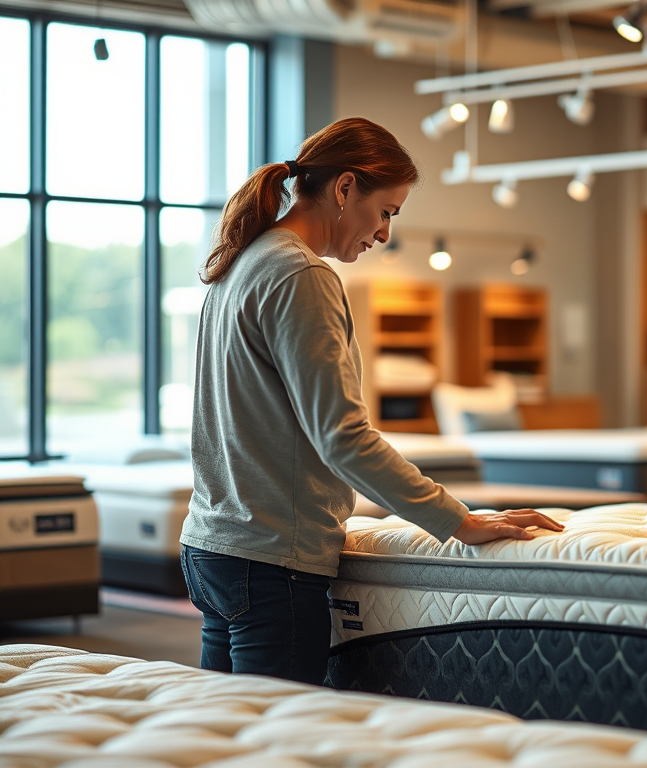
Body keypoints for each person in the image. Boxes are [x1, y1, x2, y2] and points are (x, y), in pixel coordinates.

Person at [179, 117, 563, 685]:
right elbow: (343, 438)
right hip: (271, 561)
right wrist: (457, 520)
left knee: (225, 725)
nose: (384, 233)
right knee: (275, 730)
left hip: (212, 546)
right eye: (386, 211)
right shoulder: (300, 274)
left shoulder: (241, 263)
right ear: (344, 188)